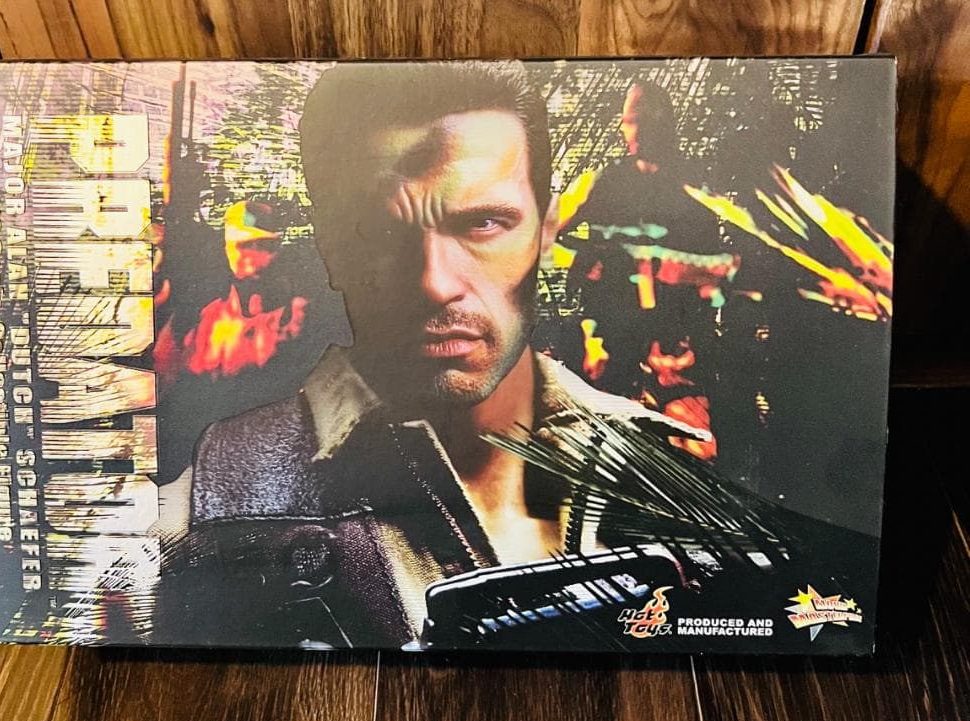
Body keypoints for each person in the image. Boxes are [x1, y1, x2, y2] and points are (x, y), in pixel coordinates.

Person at [152, 63, 874, 650]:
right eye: (383, 235)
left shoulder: (675, 469)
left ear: (542, 231)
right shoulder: (211, 505)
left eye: (484, 223)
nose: (435, 282)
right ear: (332, 249)